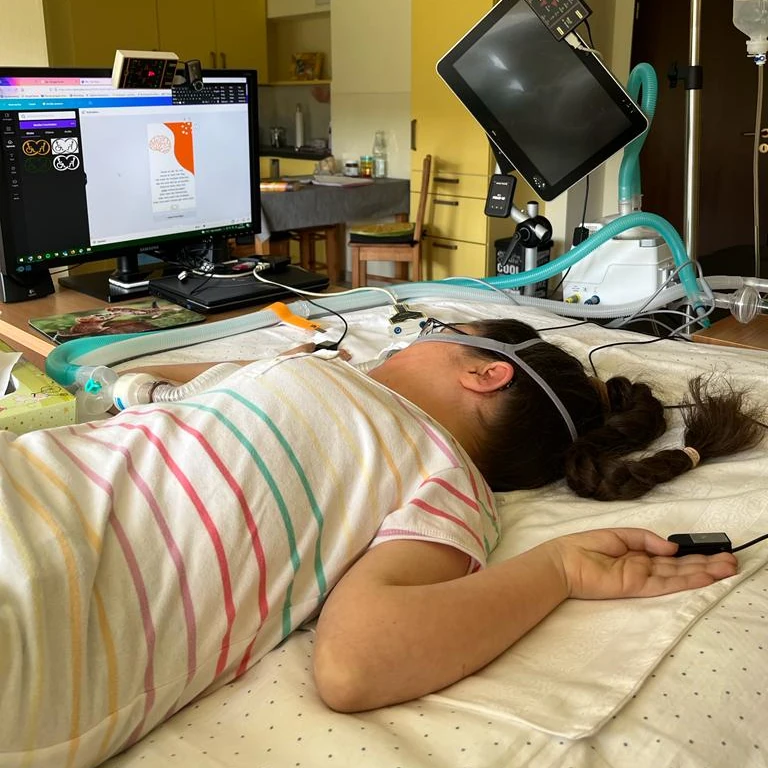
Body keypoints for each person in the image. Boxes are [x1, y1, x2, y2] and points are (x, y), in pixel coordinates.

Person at [0, 317, 762, 767]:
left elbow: (356, 663)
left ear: (485, 374)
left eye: (431, 335)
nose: (402, 343)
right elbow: (135, 388)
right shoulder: (427, 469)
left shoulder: (442, 472)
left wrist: (559, 567)